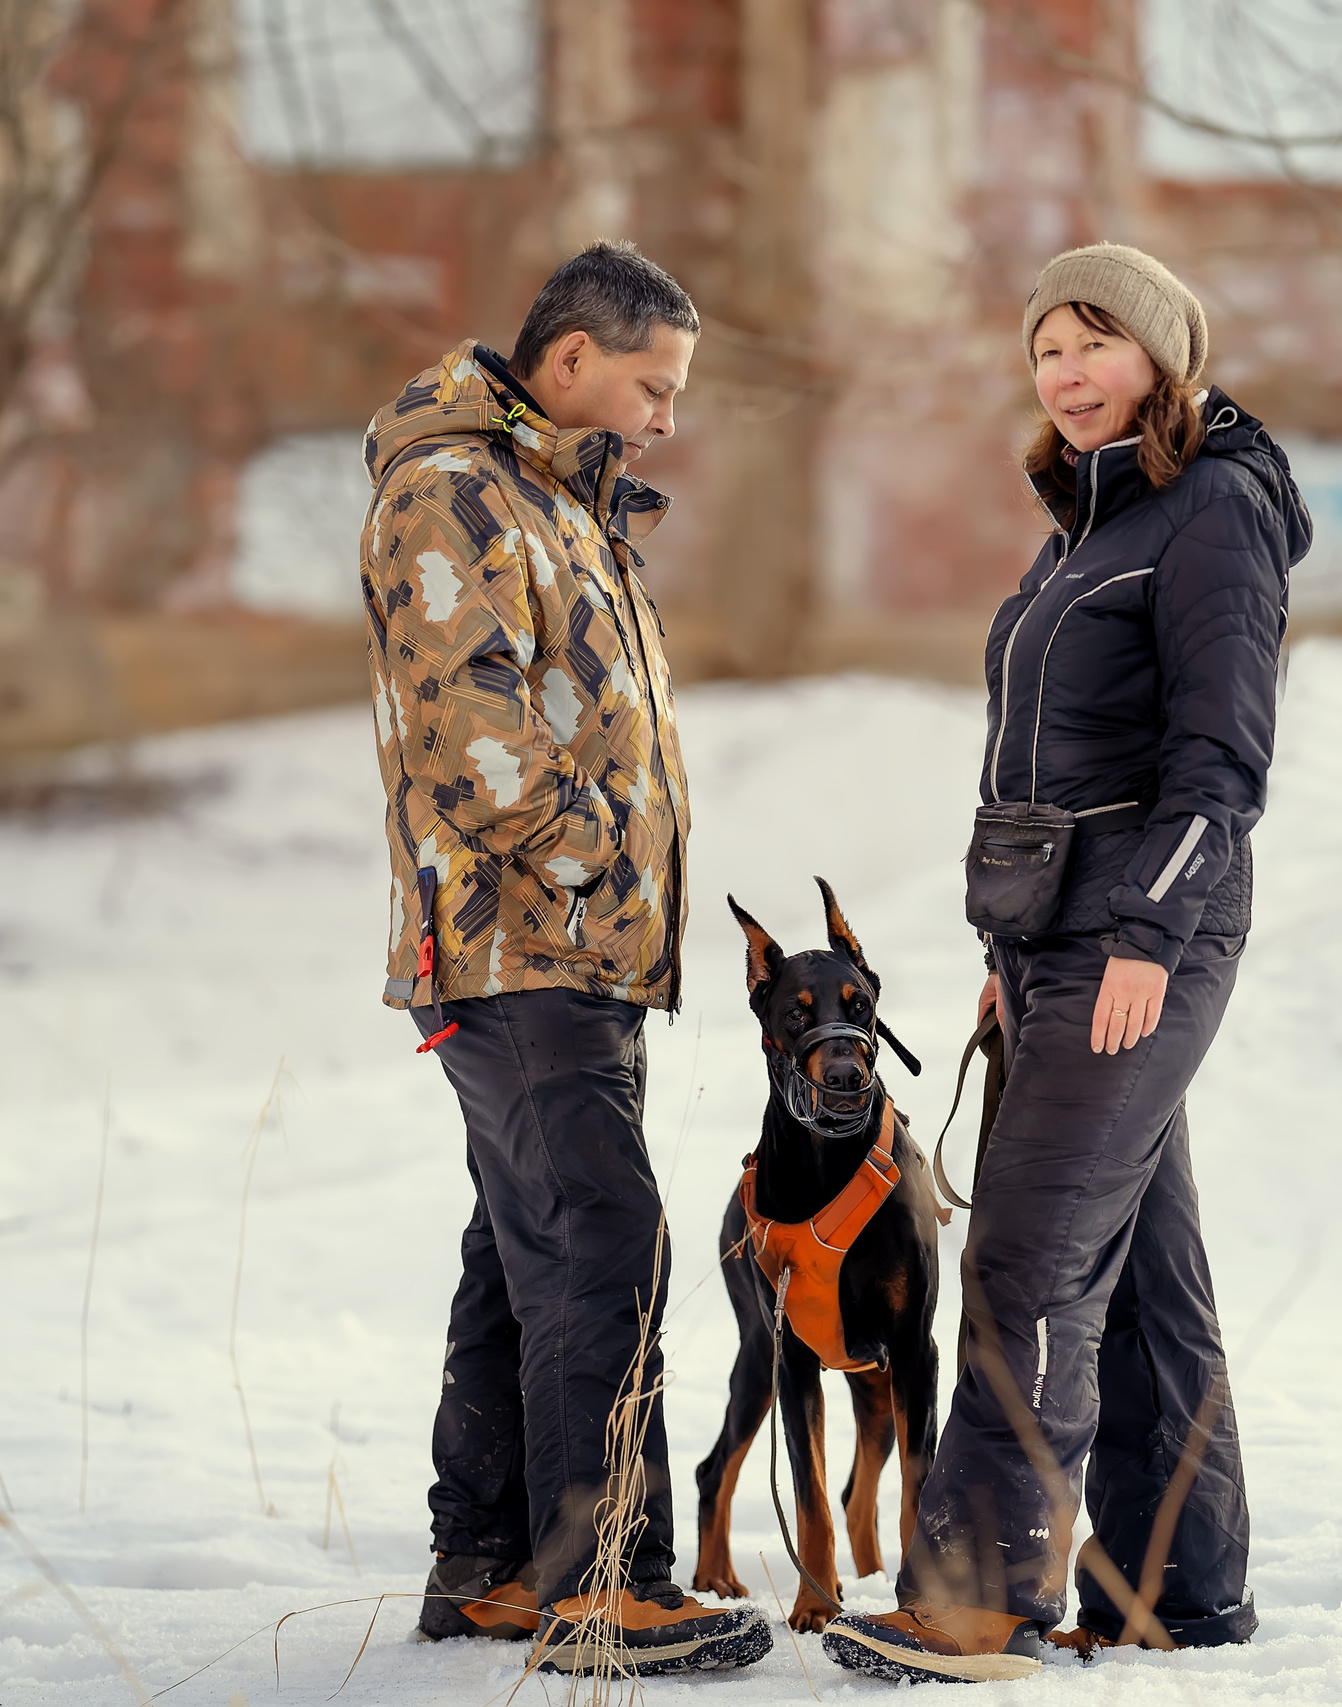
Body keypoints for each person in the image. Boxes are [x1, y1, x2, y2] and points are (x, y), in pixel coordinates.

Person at [823, 243, 1312, 1684]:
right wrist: (1007, 951)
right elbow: (1040, 766)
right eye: (1046, 351)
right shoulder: (1090, 525)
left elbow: (1218, 765)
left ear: (1163, 355)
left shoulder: (1213, 510)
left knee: (1028, 1263)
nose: (1067, 373)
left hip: (1143, 941)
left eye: (1095, 342)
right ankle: (1174, 1593)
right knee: (1146, 1280)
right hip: (1053, 945)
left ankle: (982, 1596)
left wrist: (1149, 936)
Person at [362, 241, 770, 1676]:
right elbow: (471, 740)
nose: (666, 417)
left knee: (522, 1255)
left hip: (560, 947)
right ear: (575, 360)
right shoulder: (452, 496)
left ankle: (486, 1566)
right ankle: (606, 1581)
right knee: (604, 1246)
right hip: (515, 942)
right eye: (652, 386)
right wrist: (601, 871)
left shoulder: (551, 503)